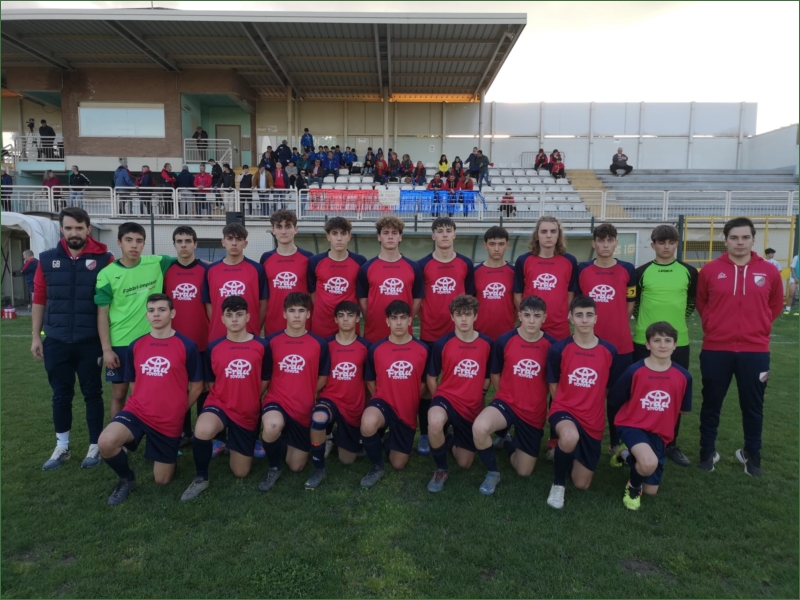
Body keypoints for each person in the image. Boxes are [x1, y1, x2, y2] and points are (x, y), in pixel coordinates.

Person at [696, 217, 783, 476]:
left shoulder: (769, 271)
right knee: (711, 403)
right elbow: (702, 303)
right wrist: (715, 325)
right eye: (734, 237)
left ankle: (751, 454)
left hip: (755, 351)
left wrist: (758, 325)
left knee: (753, 406)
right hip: (716, 349)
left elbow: (775, 305)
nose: (740, 242)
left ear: (753, 240)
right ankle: (707, 451)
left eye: (745, 237)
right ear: (725, 241)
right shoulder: (710, 270)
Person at [97, 294, 203, 505]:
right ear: (146, 315)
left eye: (162, 310)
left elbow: (198, 386)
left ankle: (163, 451)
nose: (156, 314)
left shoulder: (187, 345)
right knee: (106, 442)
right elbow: (133, 380)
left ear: (172, 313)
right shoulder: (136, 345)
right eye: (152, 310)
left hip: (167, 420)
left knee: (162, 480)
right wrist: (143, 399)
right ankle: (126, 478)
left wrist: (179, 409)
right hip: (138, 411)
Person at [32, 207, 114, 471]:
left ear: (88, 229)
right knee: (60, 395)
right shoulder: (46, 259)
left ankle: (95, 445)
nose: (74, 232)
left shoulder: (105, 259)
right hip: (56, 340)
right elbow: (39, 298)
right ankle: (62, 447)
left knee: (92, 394)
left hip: (89, 341)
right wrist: (36, 336)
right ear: (61, 230)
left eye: (79, 228)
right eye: (68, 228)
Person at [180, 295, 271, 501]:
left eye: (239, 314)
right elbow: (211, 382)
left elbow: (265, 378)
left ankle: (232, 443)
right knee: (202, 430)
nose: (234, 319)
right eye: (229, 315)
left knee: (241, 472)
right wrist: (225, 395)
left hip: (246, 410)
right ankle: (201, 478)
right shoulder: (214, 347)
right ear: (222, 319)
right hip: (219, 404)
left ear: (248, 317)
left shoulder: (261, 346)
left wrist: (250, 396)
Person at [473, 295, 557, 494]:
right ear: (519, 315)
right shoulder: (505, 340)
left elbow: (554, 383)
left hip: (533, 411)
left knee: (524, 471)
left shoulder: (553, 347)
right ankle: (493, 471)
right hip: (507, 403)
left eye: (537, 316)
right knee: (479, 428)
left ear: (544, 317)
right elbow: (495, 373)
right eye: (527, 315)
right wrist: (504, 393)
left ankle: (508, 443)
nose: (531, 320)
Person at [545, 295, 621, 509]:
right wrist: (565, 406)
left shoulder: (609, 351)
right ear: (570, 318)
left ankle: (567, 453)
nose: (584, 320)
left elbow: (607, 387)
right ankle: (558, 485)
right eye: (579, 315)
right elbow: (553, 386)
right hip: (564, 410)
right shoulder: (558, 349)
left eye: (589, 315)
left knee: (581, 484)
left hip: (592, 419)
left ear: (596, 318)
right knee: (569, 435)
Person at [608, 321, 692, 511]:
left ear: (675, 344)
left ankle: (625, 454)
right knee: (648, 463)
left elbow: (683, 410)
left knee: (651, 490)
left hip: (659, 433)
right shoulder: (635, 370)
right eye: (657, 340)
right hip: (632, 425)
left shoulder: (684, 376)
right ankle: (633, 489)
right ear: (647, 344)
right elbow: (614, 399)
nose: (662, 345)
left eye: (667, 340)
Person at [95, 222, 176, 420]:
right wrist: (106, 349)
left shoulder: (157, 262)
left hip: (151, 342)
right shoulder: (106, 274)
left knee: (151, 393)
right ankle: (116, 434)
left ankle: (153, 433)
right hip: (121, 342)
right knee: (119, 394)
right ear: (119, 242)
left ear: (144, 244)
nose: (134, 245)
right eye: (129, 240)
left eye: (139, 241)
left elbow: (188, 261)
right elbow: (102, 314)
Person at [633, 224, 698, 466]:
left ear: (676, 244)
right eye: (661, 242)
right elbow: (636, 305)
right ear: (653, 245)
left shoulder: (689, 271)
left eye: (671, 242)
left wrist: (674, 327)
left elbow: (690, 304)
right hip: (643, 341)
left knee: (674, 394)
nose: (666, 247)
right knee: (642, 394)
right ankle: (640, 439)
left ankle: (670, 443)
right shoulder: (641, 272)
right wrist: (648, 328)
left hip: (678, 344)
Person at [201, 223, 268, 458]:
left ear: (245, 243)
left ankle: (252, 436)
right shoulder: (211, 270)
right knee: (218, 386)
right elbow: (209, 304)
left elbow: (262, 303)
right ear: (223, 242)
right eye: (230, 238)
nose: (234, 243)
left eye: (238, 239)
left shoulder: (256, 269)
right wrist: (220, 327)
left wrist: (254, 328)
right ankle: (219, 437)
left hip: (248, 337)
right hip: (219, 338)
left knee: (250, 387)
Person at [258, 292, 330, 492]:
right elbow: (265, 375)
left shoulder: (319, 343)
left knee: (296, 466)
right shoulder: (271, 341)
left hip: (302, 408)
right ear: (284, 314)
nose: (296, 315)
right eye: (291, 311)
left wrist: (304, 390)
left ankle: (282, 441)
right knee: (272, 426)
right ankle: (273, 467)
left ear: (308, 314)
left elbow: (323, 377)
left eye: (301, 311)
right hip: (277, 401)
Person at [576, 223, 636, 454]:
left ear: (616, 243)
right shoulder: (582, 269)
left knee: (617, 396)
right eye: (601, 240)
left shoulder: (627, 269)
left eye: (609, 240)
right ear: (594, 243)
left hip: (621, 345)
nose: (605, 245)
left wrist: (618, 322)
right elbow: (578, 303)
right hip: (589, 345)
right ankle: (583, 438)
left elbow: (630, 302)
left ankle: (616, 442)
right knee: (588, 392)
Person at [416, 217, 475, 454]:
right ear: (433, 236)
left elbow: (470, 299)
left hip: (458, 336)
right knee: (426, 386)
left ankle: (453, 426)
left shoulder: (465, 263)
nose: (444, 234)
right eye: (439, 231)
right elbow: (418, 298)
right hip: (430, 334)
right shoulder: (422, 264)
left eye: (448, 230)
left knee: (457, 381)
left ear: (454, 234)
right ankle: (424, 433)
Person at [425, 295, 492, 492]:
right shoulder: (442, 343)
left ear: (475, 316)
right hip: (446, 398)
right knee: (435, 421)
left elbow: (487, 376)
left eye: (468, 314)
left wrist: (480, 394)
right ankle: (441, 469)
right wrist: (438, 399)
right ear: (452, 317)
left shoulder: (487, 344)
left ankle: (450, 437)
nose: (463, 319)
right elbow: (431, 378)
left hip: (470, 406)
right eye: (459, 314)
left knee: (465, 462)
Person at [359, 300, 430, 488]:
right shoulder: (376, 349)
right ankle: (377, 466)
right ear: (387, 321)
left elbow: (424, 383)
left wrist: (409, 398)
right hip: (383, 404)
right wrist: (382, 397)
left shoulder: (423, 349)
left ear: (410, 320)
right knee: (368, 422)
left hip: (406, 410)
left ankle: (387, 440)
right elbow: (370, 381)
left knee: (398, 464)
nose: (398, 322)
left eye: (403, 318)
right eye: (394, 318)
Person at [305, 301, 371, 489]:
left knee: (347, 460)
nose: (345, 319)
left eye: (350, 315)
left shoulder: (366, 347)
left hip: (353, 404)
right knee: (318, 418)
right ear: (335, 319)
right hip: (330, 399)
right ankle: (319, 468)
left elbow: (368, 382)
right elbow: (318, 376)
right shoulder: (325, 345)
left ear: (357, 318)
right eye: (341, 315)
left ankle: (335, 436)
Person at [163, 226, 210, 445]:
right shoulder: (166, 271)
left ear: (195, 244)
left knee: (203, 388)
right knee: (178, 388)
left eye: (188, 241)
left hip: (202, 340)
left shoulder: (206, 270)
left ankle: (203, 431)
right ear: (174, 244)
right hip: (175, 342)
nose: (184, 245)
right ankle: (183, 431)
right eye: (179, 241)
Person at [357, 216, 424, 344]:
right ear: (379, 237)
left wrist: (406, 318)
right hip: (374, 334)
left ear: (400, 237)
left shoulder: (413, 267)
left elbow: (417, 299)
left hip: (404, 336)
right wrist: (372, 319)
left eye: (394, 233)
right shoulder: (366, 268)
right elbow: (363, 301)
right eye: (386, 233)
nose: (390, 237)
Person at [514, 215, 578, 341]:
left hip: (559, 328)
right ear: (537, 235)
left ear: (558, 235)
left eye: (553, 231)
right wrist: (528, 318)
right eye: (544, 232)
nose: (549, 235)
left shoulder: (570, 261)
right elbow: (517, 295)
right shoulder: (523, 260)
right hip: (530, 327)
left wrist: (561, 316)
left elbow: (570, 294)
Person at [308, 217, 367, 338]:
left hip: (349, 325)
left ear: (349, 237)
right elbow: (313, 293)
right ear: (328, 237)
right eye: (335, 233)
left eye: (343, 233)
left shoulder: (360, 262)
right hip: (322, 325)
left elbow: (362, 294)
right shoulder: (315, 261)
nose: (339, 238)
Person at [260, 210, 314, 335]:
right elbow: (263, 296)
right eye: (279, 227)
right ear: (273, 230)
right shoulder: (266, 258)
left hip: (302, 325)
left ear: (296, 229)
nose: (283, 231)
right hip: (274, 324)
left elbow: (313, 295)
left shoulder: (308, 258)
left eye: (288, 226)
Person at [473, 226, 516, 341]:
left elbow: (518, 305)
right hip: (479, 335)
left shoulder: (514, 273)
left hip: (507, 335)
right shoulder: (474, 273)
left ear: (507, 245)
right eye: (492, 244)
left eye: (501, 244)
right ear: (485, 245)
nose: (496, 249)